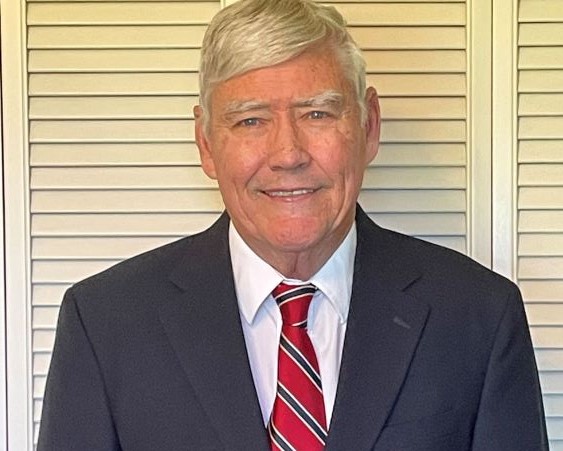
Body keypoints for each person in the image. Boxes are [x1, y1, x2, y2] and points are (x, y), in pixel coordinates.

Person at [37, 0, 548, 449]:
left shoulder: (478, 316)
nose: (288, 154)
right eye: (250, 120)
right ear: (206, 143)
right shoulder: (105, 323)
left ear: (369, 125)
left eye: (317, 114)